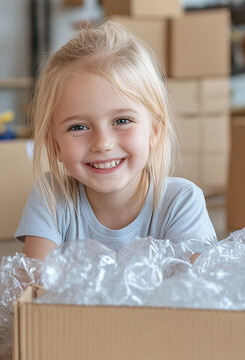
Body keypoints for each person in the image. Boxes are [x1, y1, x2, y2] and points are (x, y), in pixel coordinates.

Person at [16, 21, 216, 260]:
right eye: (78, 127)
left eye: (121, 121)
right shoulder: (52, 197)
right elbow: (33, 286)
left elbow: (198, 290)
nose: (102, 143)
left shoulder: (181, 201)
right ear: (56, 145)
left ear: (154, 130)